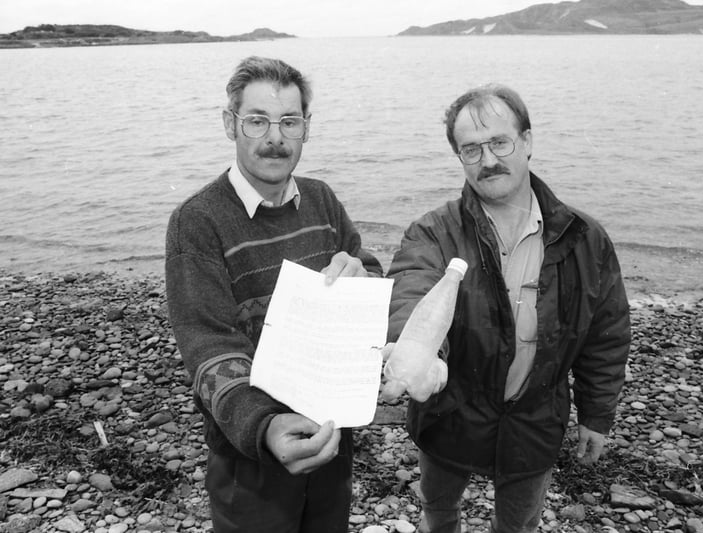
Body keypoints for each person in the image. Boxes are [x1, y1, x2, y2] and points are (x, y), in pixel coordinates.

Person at [384, 84, 631, 533]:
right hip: (448, 415)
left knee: (518, 526)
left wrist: (597, 415)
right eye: (471, 149)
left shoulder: (584, 238)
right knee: (438, 510)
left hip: (535, 422)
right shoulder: (433, 232)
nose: (488, 159)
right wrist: (415, 350)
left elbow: (606, 331)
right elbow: (410, 290)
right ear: (459, 157)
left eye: (500, 142)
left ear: (528, 141)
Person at [165, 56, 382, 533]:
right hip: (250, 455)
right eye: (257, 120)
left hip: (331, 439)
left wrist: (362, 275)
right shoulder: (198, 221)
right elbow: (206, 342)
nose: (275, 137)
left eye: (289, 121)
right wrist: (264, 427)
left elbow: (362, 265)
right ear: (231, 124)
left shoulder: (322, 199)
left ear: (307, 127)